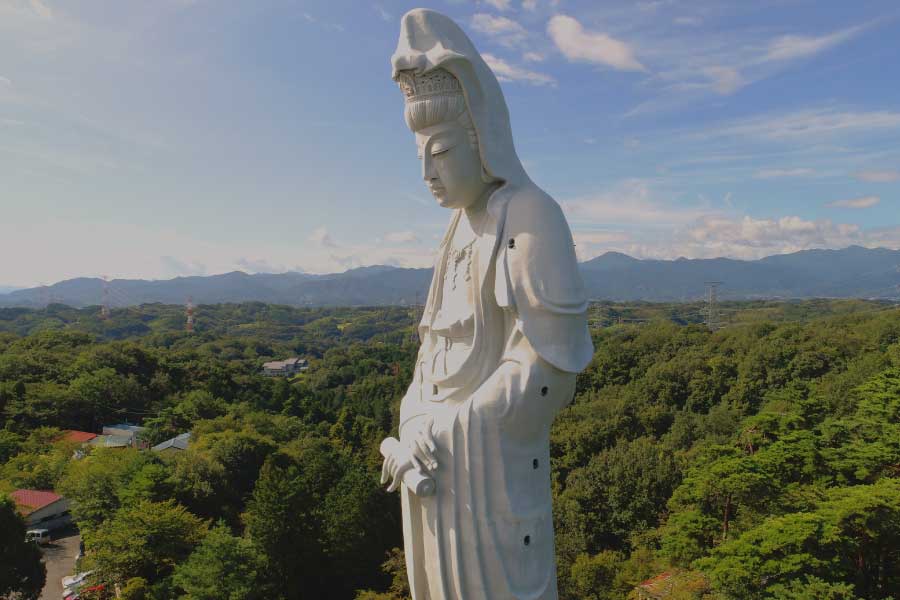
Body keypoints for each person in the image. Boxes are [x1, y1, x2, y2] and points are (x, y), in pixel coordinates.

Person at [379, 9, 593, 599]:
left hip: (490, 481)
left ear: (482, 139)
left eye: (441, 152)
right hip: (435, 471)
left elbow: (547, 369)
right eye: (420, 155)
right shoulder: (454, 232)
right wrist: (414, 420)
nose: (427, 172)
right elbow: (431, 355)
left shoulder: (531, 215)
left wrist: (448, 427)